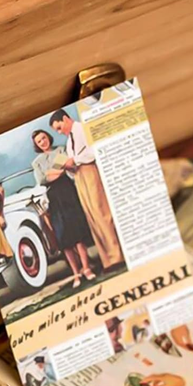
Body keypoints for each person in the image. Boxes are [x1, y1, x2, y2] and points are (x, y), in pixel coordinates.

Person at [49, 110, 124, 272]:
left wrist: (74, 160)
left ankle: (118, 256)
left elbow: (95, 151)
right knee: (92, 218)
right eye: (56, 130)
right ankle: (108, 260)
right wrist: (69, 166)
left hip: (91, 172)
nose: (59, 132)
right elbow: (70, 167)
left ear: (65, 118)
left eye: (59, 127)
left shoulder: (83, 129)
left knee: (102, 212)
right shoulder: (68, 143)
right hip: (79, 178)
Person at [31, 129, 95, 289]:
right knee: (64, 238)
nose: (43, 142)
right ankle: (76, 273)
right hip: (54, 198)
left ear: (48, 137)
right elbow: (43, 180)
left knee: (77, 232)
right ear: (37, 145)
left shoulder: (60, 150)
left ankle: (86, 268)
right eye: (39, 141)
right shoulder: (36, 162)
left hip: (68, 192)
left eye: (43, 138)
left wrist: (53, 172)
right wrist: (57, 170)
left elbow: (66, 168)